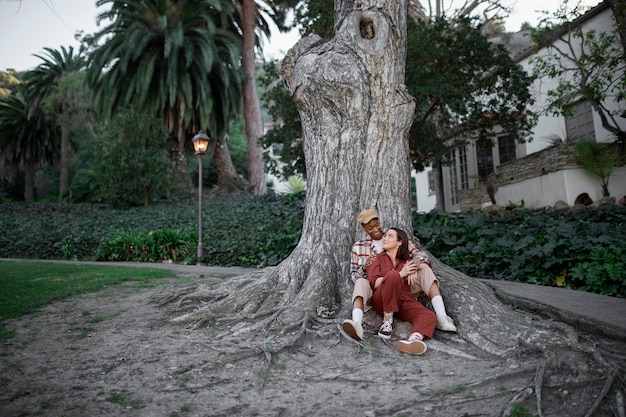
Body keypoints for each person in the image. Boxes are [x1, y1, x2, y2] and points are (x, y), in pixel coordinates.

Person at [341, 209, 456, 342]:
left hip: (403, 295)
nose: (377, 230)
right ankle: (369, 322)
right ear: (364, 228)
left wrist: (414, 265)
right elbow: (364, 278)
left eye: (377, 225)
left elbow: (419, 255)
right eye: (370, 228)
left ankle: (419, 336)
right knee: (378, 278)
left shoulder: (403, 256)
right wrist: (367, 268)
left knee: (428, 314)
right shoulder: (371, 256)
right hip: (379, 295)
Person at [367, 227, 437, 355]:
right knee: (393, 276)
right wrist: (401, 274)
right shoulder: (376, 258)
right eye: (385, 236)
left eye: (390, 236)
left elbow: (425, 264)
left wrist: (414, 267)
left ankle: (414, 340)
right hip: (381, 300)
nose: (385, 238)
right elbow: (375, 283)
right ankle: (387, 322)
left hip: (403, 301)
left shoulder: (407, 262)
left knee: (429, 316)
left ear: (399, 242)